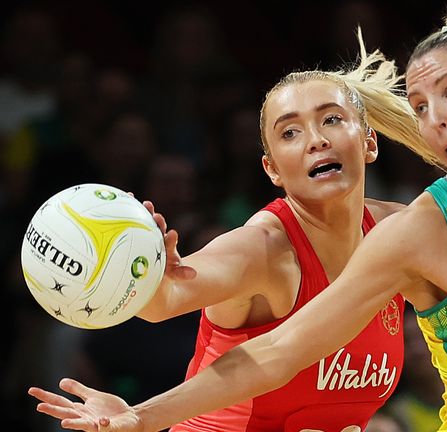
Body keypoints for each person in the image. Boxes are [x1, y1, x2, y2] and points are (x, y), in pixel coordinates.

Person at [29, 3, 447, 431]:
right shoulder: (387, 236)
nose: (435, 117)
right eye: (421, 103)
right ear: (270, 168)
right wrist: (142, 393)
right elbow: (261, 344)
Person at [32, 30, 424, 431]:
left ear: (369, 142)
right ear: (271, 169)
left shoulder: (398, 231)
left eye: (332, 120)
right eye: (290, 132)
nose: (316, 141)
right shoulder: (263, 247)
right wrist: (146, 271)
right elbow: (164, 301)